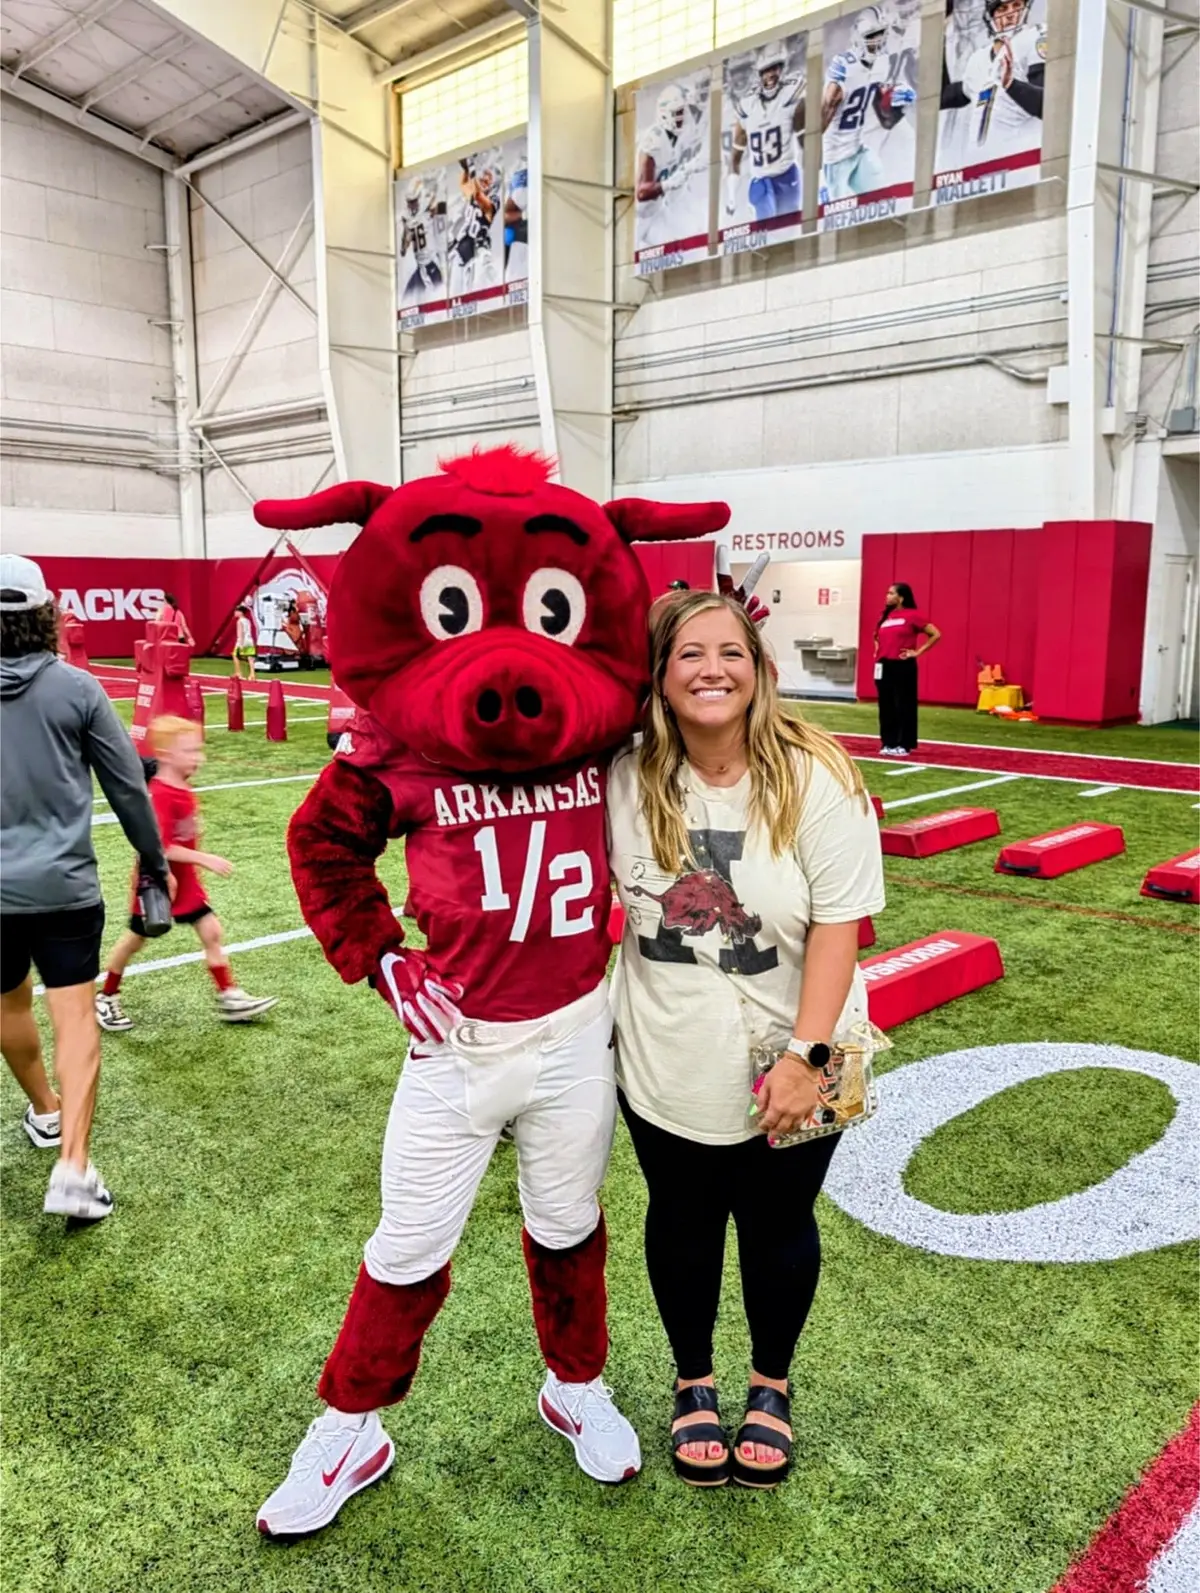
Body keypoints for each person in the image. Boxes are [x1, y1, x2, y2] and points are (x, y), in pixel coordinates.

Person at [607, 591, 884, 1489]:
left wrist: (807, 1059)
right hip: (667, 1045)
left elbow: (841, 925)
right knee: (682, 1224)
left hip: (811, 1041)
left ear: (760, 669)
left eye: (731, 651)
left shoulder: (816, 773)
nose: (711, 669)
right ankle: (694, 1381)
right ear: (660, 674)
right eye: (689, 653)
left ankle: (770, 1384)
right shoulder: (623, 773)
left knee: (777, 1225)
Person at [0, 554, 170, 1220]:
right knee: (74, 1020)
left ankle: (45, 1108)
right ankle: (72, 1164)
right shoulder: (78, 689)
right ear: (46, 616)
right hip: (65, 889)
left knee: (10, 1004)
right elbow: (128, 785)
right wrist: (154, 859)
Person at [95, 717, 278, 1030]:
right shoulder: (163, 793)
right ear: (167, 754)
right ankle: (107, 995)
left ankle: (229, 995)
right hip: (158, 880)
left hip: (186, 881)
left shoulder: (181, 786)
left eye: (199, 750)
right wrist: (204, 858)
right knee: (136, 939)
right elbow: (160, 846)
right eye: (190, 751)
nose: (199, 758)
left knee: (212, 931)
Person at [873, 582, 941, 756]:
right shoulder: (885, 616)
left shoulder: (913, 616)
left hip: (902, 665)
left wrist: (917, 652)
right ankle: (888, 742)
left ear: (901, 597)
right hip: (883, 665)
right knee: (885, 705)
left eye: (890, 593)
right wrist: (877, 650)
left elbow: (935, 634)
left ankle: (904, 744)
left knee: (903, 704)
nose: (886, 596)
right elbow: (877, 637)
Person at [231, 605, 256, 681]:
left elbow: (240, 633)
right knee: (250, 658)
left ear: (240, 612)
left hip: (242, 641)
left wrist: (241, 644)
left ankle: (239, 673)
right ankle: (252, 675)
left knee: (235, 655)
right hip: (249, 640)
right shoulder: (247, 620)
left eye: (236, 611)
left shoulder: (239, 621)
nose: (235, 613)